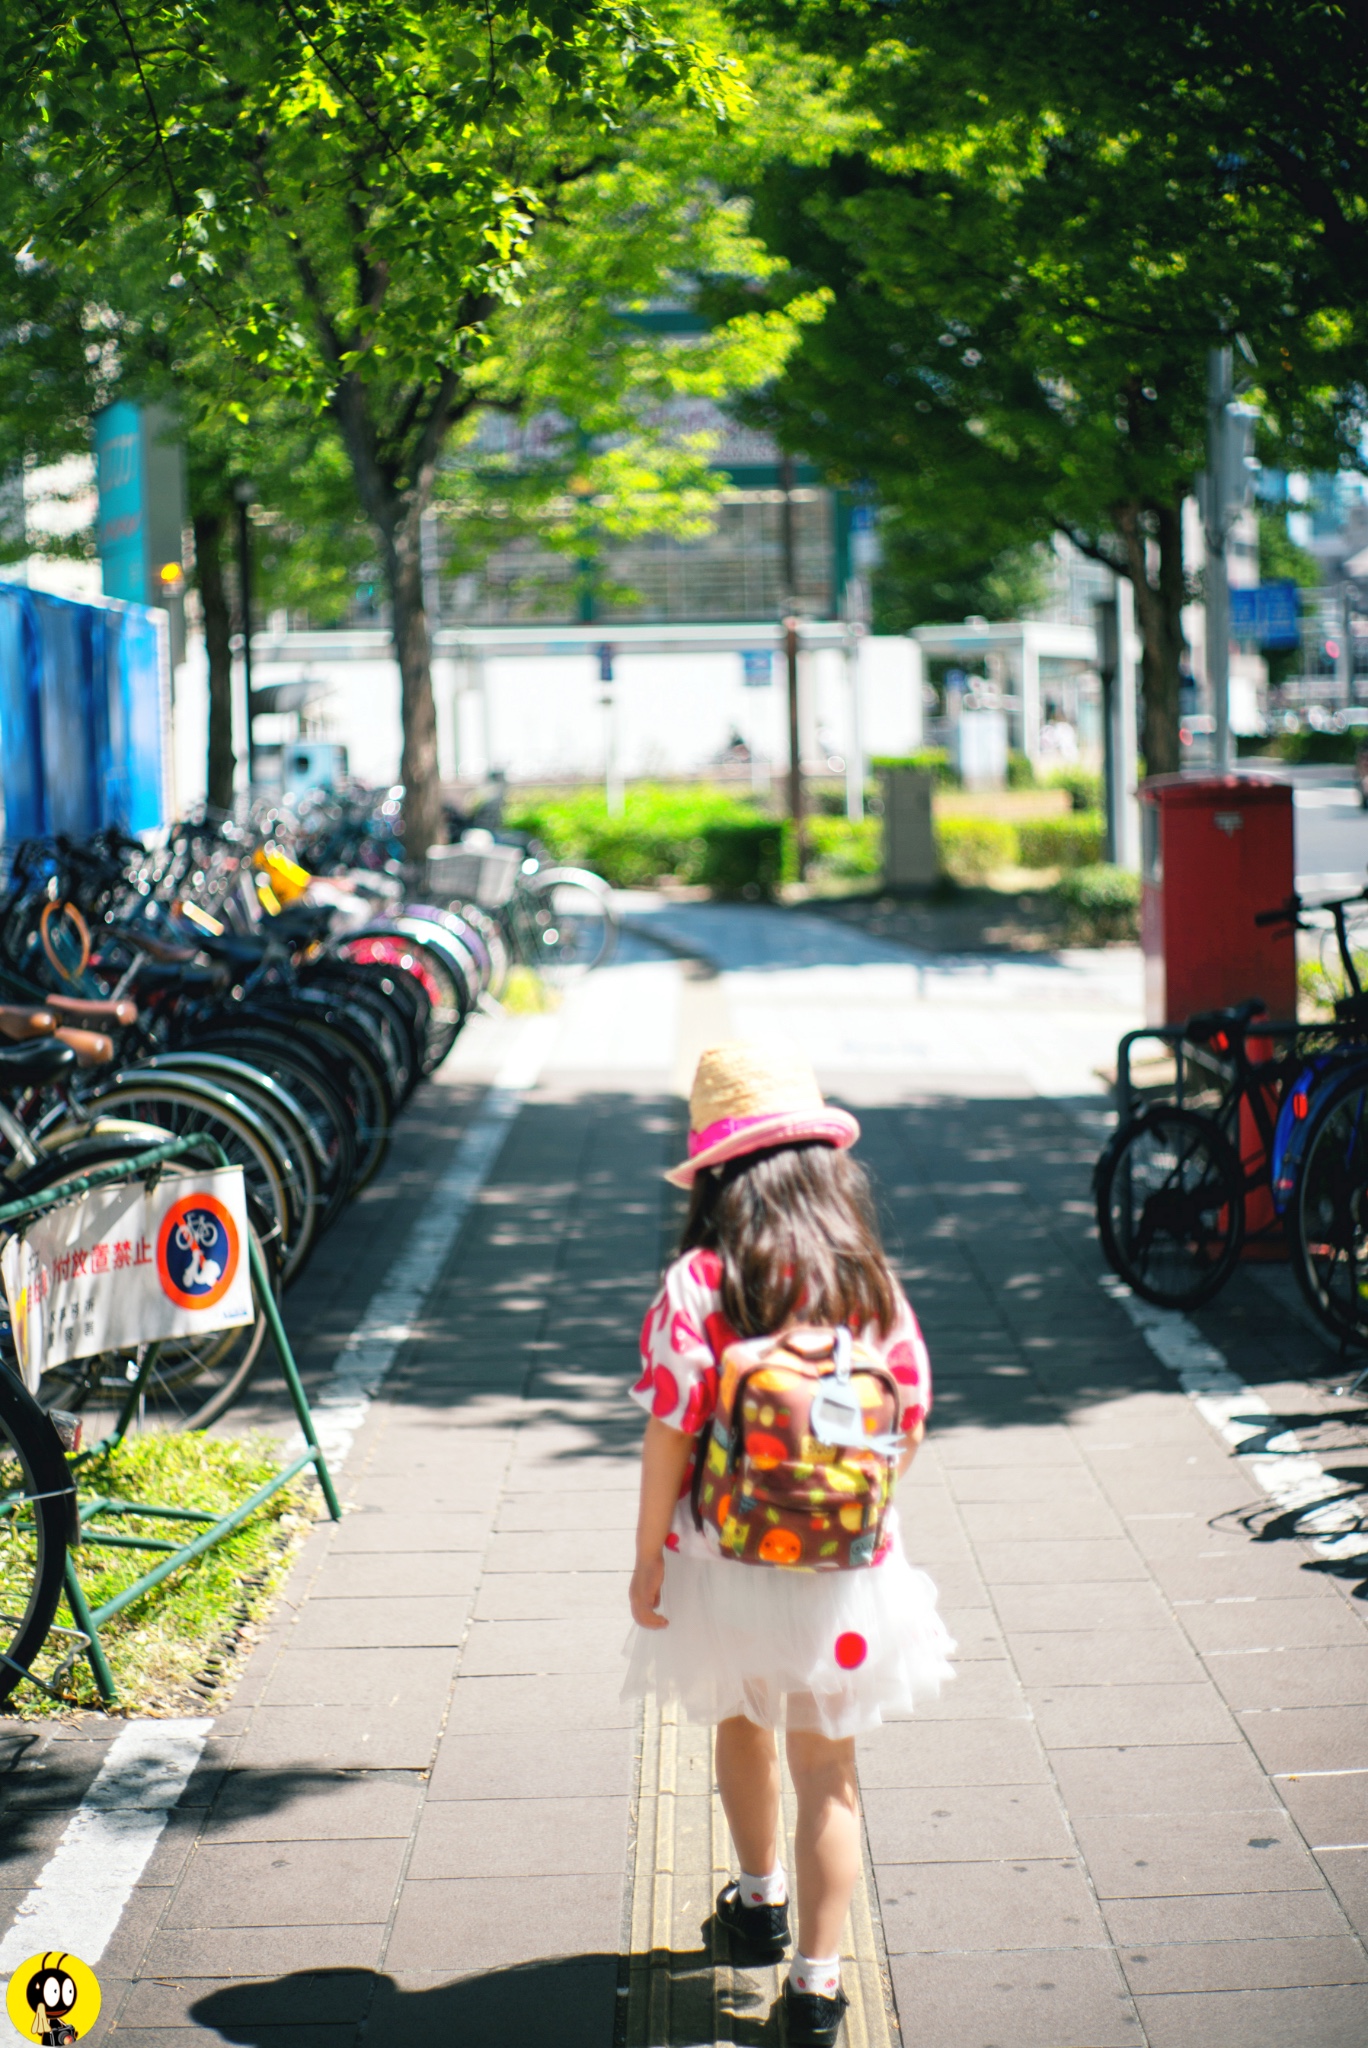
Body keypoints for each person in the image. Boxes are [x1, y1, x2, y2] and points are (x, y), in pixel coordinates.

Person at [624, 1041, 954, 2048]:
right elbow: (915, 1410)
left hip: (725, 1558)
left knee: (737, 1716)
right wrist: (853, 1507)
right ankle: (817, 1982)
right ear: (827, 1168)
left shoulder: (703, 1280)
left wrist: (647, 1558)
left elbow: (671, 1423)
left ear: (718, 1174)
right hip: (844, 1573)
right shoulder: (866, 1280)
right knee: (830, 1769)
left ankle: (755, 1900)